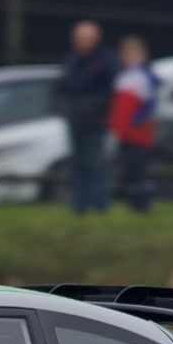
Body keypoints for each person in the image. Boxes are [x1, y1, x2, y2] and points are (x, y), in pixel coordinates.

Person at [54, 20, 117, 215]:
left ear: (96, 39)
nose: (82, 42)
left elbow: (111, 90)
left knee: (96, 163)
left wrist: (95, 107)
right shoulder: (72, 60)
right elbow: (63, 87)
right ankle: (79, 206)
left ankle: (100, 205)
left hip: (96, 121)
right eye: (79, 38)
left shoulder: (105, 60)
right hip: (76, 119)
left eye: (86, 38)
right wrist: (66, 108)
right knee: (78, 163)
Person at [110, 35, 161, 212]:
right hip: (124, 132)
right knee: (128, 168)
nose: (128, 57)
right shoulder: (123, 76)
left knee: (139, 168)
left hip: (138, 132)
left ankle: (142, 205)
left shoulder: (144, 76)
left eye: (133, 53)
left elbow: (151, 102)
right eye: (126, 53)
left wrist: (136, 120)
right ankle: (132, 204)